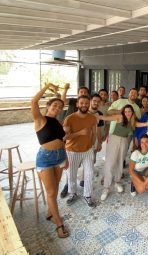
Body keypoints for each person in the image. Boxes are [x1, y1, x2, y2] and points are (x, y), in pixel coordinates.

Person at [99, 104, 148, 201]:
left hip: (125, 141)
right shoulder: (120, 117)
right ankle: (106, 188)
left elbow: (145, 124)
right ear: (123, 112)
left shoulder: (133, 122)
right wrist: (94, 115)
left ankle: (117, 182)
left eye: (129, 111)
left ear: (132, 113)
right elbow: (105, 117)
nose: (127, 113)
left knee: (120, 162)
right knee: (110, 163)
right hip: (115, 139)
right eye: (125, 111)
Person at [31, 83, 69, 238]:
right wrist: (47, 86)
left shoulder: (58, 122)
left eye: (60, 107)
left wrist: (65, 157)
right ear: (47, 106)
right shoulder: (40, 119)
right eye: (54, 105)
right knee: (52, 192)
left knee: (55, 188)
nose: (58, 108)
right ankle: (59, 223)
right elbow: (33, 102)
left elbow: (63, 140)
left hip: (60, 156)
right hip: (45, 159)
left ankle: (50, 213)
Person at [63, 95, 97, 207]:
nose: (84, 105)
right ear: (77, 104)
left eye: (87, 103)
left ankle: (87, 195)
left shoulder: (92, 118)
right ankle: (72, 193)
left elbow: (93, 132)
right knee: (71, 174)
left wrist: (92, 144)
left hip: (87, 150)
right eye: (82, 103)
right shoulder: (70, 118)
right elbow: (65, 137)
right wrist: (79, 133)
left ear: (89, 104)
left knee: (89, 173)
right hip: (72, 151)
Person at [60, 85, 90, 198]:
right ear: (78, 94)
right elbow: (62, 101)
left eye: (85, 92)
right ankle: (67, 185)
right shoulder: (73, 101)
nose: (83, 93)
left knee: (83, 163)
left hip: (83, 138)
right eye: (81, 91)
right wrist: (65, 89)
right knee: (69, 165)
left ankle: (81, 181)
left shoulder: (87, 105)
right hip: (69, 134)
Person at [79, 94, 104, 187]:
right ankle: (71, 184)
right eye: (94, 101)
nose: (96, 103)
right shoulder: (83, 111)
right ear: (90, 101)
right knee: (79, 162)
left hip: (94, 141)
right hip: (81, 141)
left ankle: (84, 179)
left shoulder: (100, 114)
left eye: (98, 101)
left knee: (91, 160)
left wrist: (100, 142)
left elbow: (99, 129)